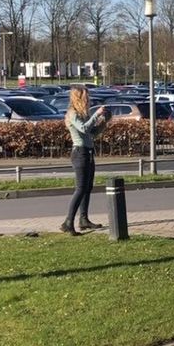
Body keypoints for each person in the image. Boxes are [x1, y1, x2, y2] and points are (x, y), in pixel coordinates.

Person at [62, 86, 110, 235]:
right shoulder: (73, 114)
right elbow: (83, 129)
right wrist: (96, 115)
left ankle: (83, 219)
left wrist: (104, 122)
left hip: (88, 152)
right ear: (79, 97)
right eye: (86, 97)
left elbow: (92, 133)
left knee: (87, 188)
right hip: (79, 153)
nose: (88, 100)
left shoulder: (83, 114)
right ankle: (68, 222)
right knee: (80, 188)